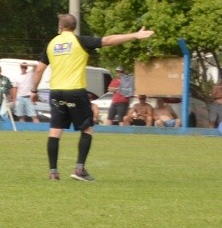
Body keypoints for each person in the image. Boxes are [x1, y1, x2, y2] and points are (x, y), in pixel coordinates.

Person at [30, 15, 153, 181]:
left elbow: (38, 70)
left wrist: (33, 90)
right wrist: (134, 35)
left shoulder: (51, 44)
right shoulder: (80, 41)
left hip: (56, 92)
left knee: (55, 131)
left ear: (60, 27)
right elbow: (109, 40)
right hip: (74, 91)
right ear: (74, 27)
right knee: (87, 129)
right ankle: (79, 169)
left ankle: (53, 172)